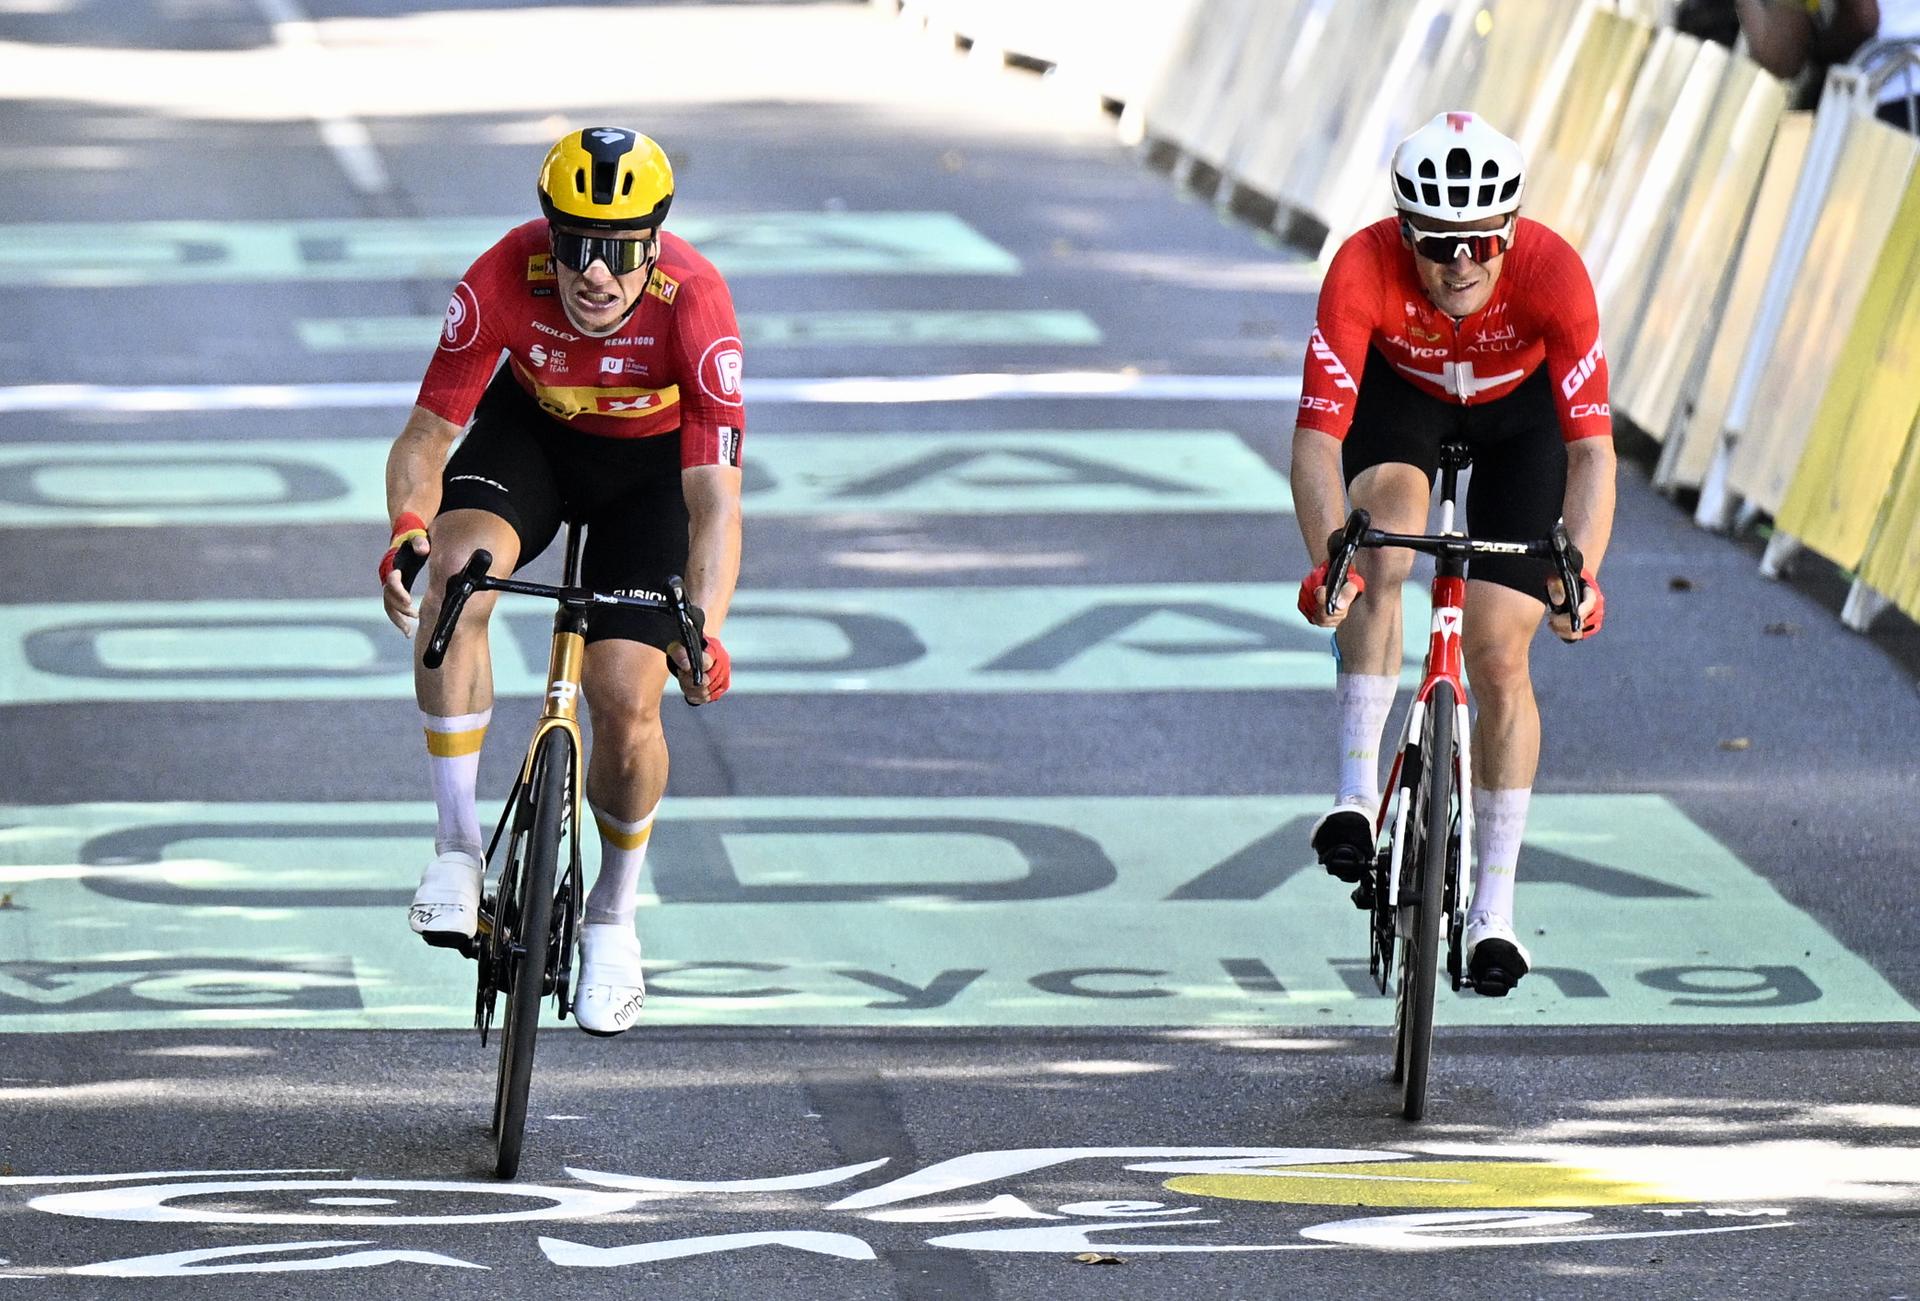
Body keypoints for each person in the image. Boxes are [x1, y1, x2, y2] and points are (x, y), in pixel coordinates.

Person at [378, 126, 745, 1036]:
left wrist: (703, 628)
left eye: (620, 251)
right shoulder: (505, 274)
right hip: (533, 438)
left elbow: (714, 504)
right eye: (577, 245)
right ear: (551, 236)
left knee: (626, 692)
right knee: (458, 576)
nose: (595, 274)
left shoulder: (696, 304)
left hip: (651, 475)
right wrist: (408, 529)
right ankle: (457, 847)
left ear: (653, 244)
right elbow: (427, 437)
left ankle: (614, 917)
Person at [1289, 111, 1612, 997]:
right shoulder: (1361, 268)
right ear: (1404, 232)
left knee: (1499, 650)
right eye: (1437, 242)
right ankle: (1356, 794)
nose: (1461, 262)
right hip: (1404, 401)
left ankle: (1493, 909)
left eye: (1481, 241)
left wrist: (1579, 572)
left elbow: (1591, 453)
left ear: (1511, 229)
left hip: (1520, 423)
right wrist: (1330, 564)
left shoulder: (1555, 274)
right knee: (1380, 551)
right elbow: (1317, 442)